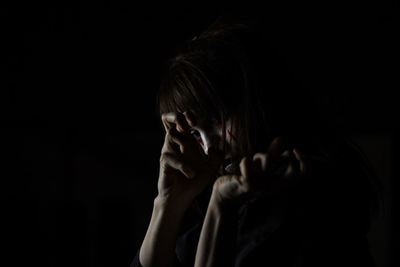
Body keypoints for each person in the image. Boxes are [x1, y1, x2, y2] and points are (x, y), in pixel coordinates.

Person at [131, 13, 383, 267]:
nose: (209, 148)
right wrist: (167, 204)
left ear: (260, 101)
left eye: (217, 120)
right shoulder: (203, 218)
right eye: (196, 133)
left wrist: (222, 203)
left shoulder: (314, 212)